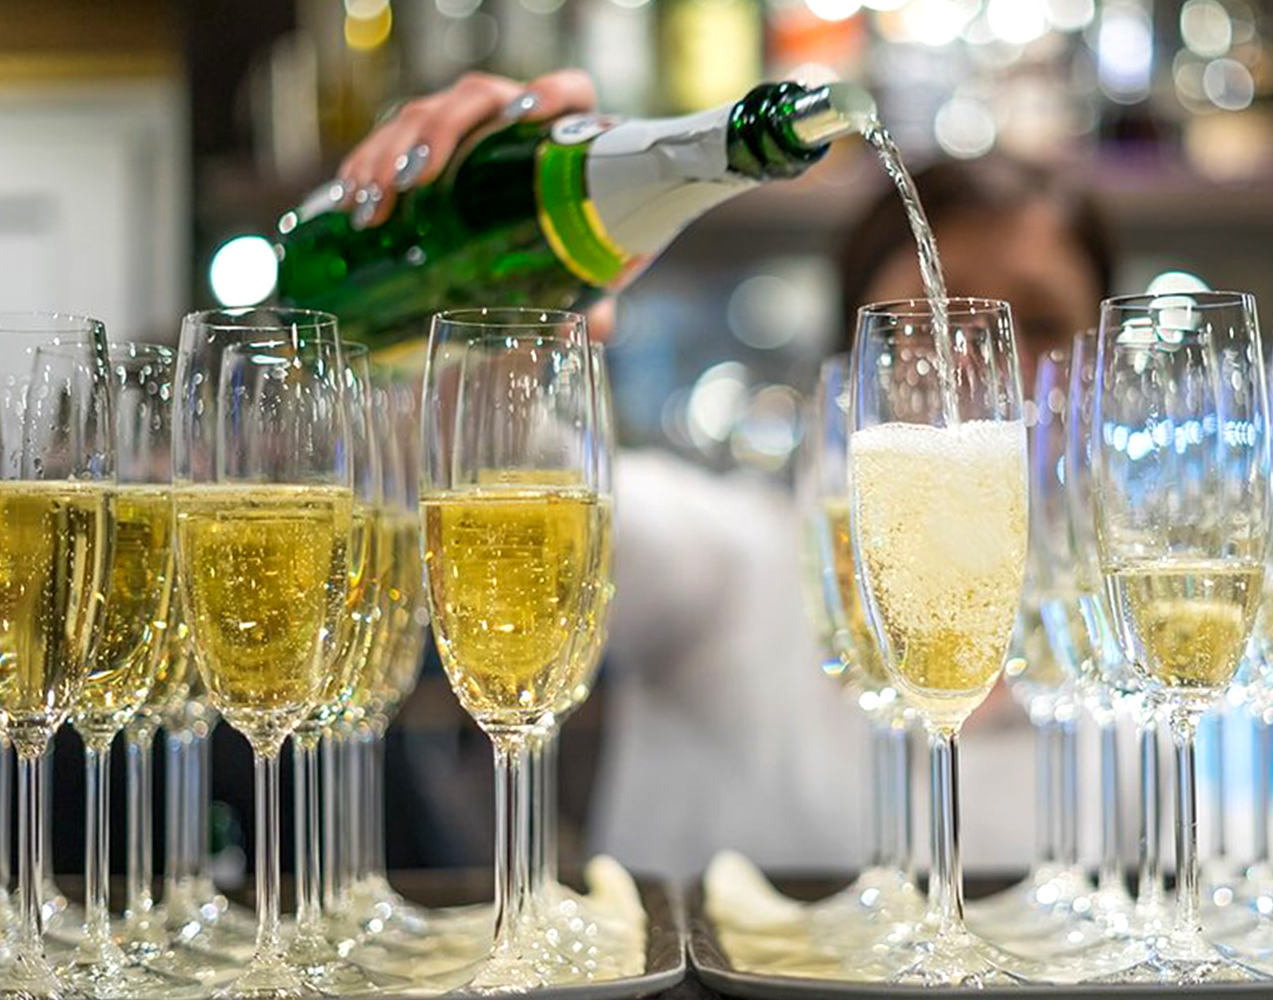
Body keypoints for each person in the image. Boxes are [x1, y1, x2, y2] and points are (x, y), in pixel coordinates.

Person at [334, 69, 1113, 879]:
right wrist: (473, 279)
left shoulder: (1133, 637)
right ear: (849, 375)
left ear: (1103, 374)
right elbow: (525, 474)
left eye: (1043, 324)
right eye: (923, 326)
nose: (976, 372)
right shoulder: (738, 561)